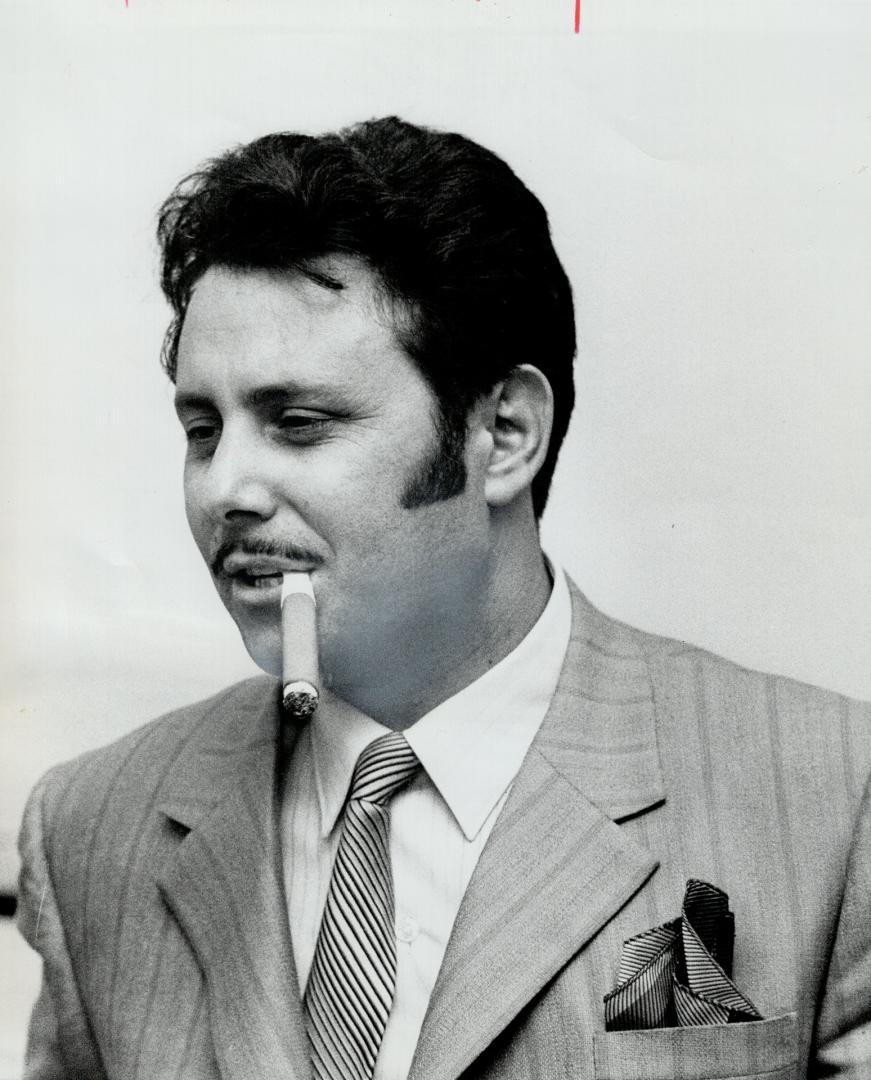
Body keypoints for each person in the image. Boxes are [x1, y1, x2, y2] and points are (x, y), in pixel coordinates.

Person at [16, 116, 871, 1080]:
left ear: (504, 433)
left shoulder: (833, 799)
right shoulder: (93, 827)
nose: (224, 489)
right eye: (202, 429)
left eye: (298, 423)